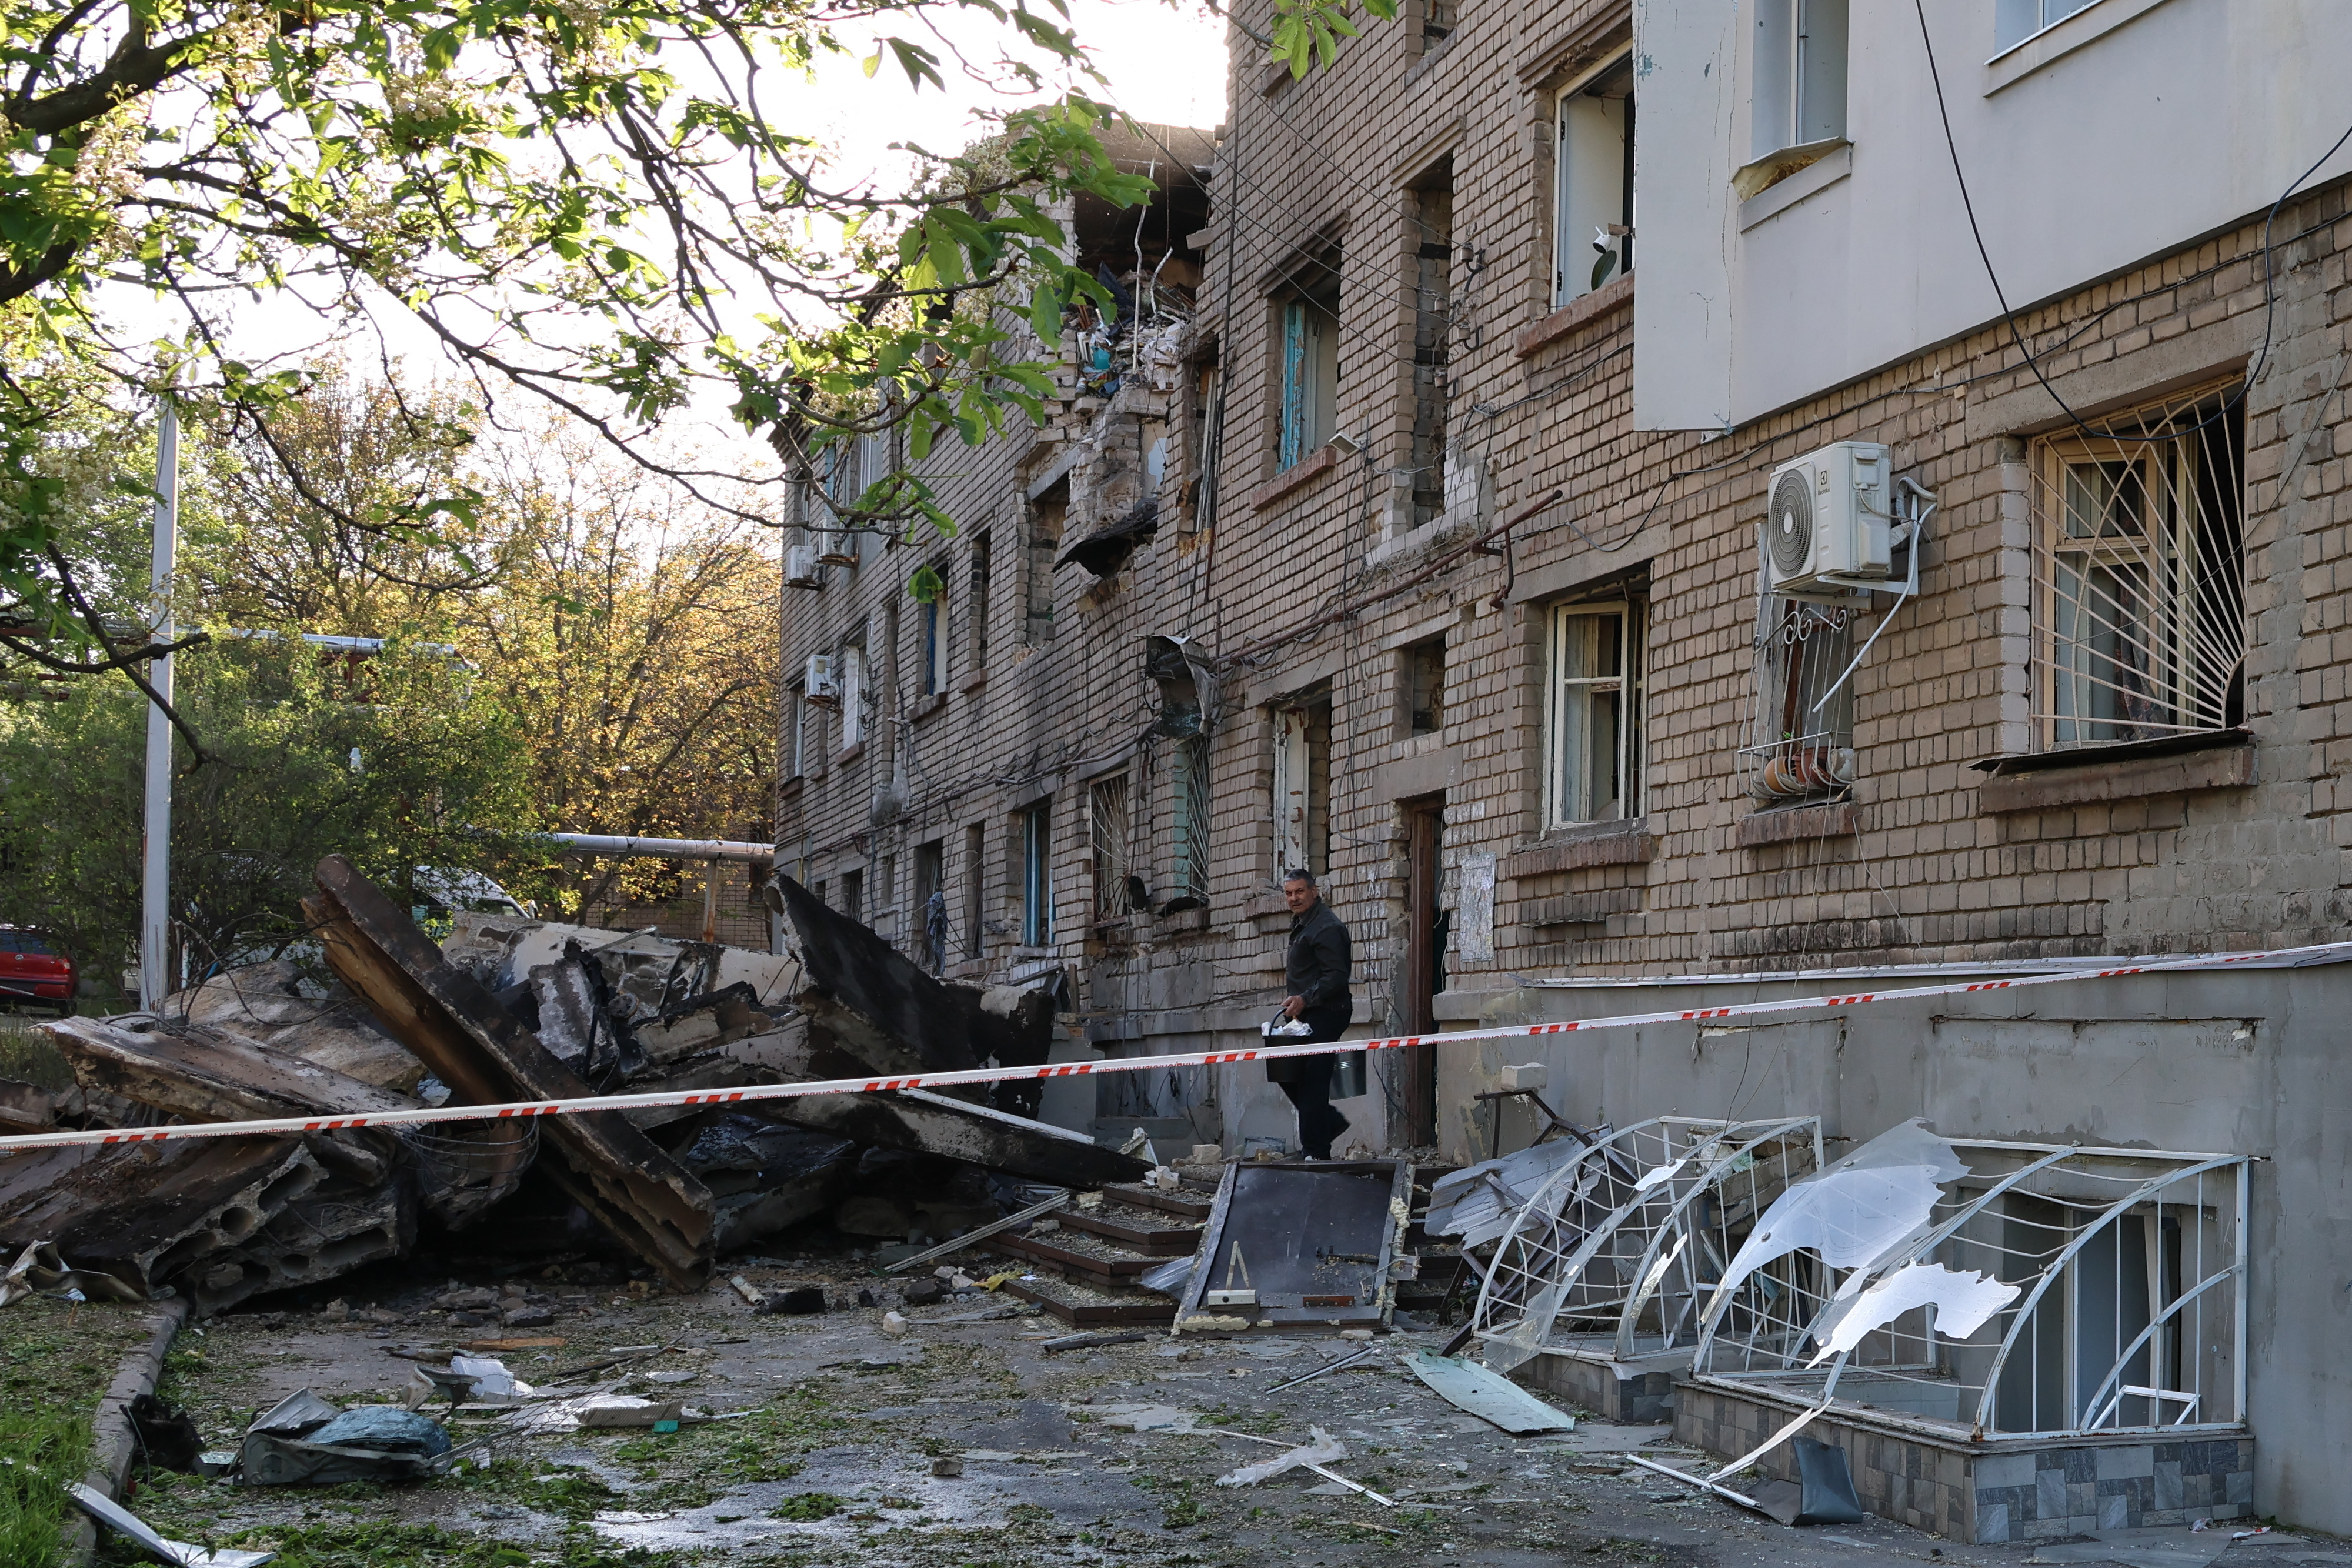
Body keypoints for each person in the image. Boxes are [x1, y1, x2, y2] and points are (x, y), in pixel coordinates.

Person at [1271, 868, 1353, 1159]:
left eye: (1300, 892)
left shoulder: (1326, 927)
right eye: (1289, 893)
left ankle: (1317, 1153)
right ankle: (1327, 1125)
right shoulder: (1304, 923)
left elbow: (1336, 976)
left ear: (1314, 891)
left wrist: (1305, 999)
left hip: (1326, 1013)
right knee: (1286, 1071)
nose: (1294, 898)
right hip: (1305, 1015)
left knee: (1312, 1082)